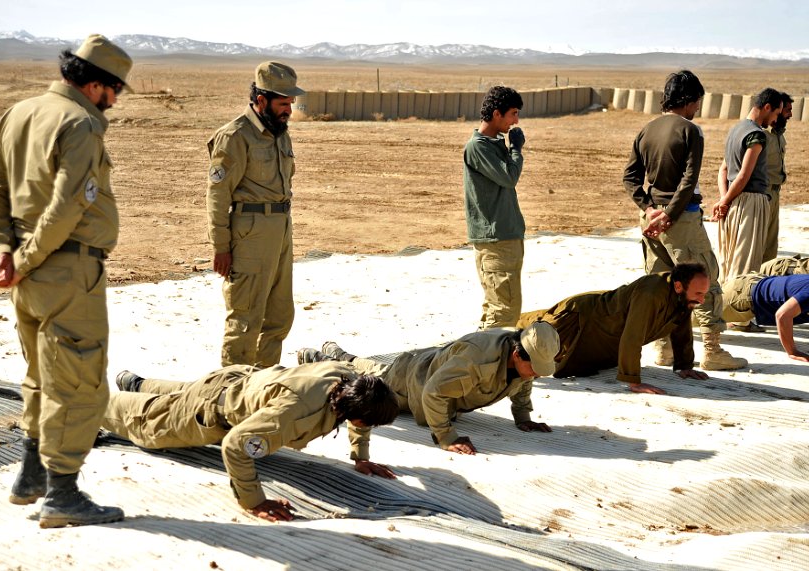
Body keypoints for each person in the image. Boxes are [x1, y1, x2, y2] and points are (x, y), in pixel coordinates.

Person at [0, 34, 132, 529]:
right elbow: (67, 206)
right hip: (66, 268)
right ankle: (63, 493)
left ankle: (30, 476)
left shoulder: (21, 112)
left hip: (30, 273)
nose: (115, 101)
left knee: (41, 373)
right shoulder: (81, 123)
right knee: (79, 380)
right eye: (115, 91)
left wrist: (4, 251)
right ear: (96, 84)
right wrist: (22, 258)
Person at [104, 362, 399, 523]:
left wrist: (360, 455)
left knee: (181, 394)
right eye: (368, 423)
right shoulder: (294, 410)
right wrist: (254, 501)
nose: (366, 428)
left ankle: (138, 383)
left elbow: (363, 412)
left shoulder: (352, 382)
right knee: (145, 426)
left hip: (237, 381)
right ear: (353, 413)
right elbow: (235, 444)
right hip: (211, 410)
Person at [622, 70, 746, 371]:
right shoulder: (691, 129)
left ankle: (664, 349)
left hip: (650, 220)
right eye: (698, 102)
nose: (698, 108)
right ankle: (712, 350)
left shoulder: (646, 129)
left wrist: (650, 209)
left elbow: (630, 176)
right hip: (681, 219)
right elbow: (689, 179)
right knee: (704, 281)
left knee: (663, 286)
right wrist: (669, 214)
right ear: (690, 100)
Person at [297, 321, 560, 455]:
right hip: (413, 380)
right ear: (517, 354)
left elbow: (523, 381)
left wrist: (523, 417)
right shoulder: (476, 359)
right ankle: (321, 362)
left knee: (375, 369)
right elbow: (433, 392)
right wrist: (446, 437)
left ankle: (342, 355)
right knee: (363, 389)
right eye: (535, 367)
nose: (537, 374)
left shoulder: (524, 356)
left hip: (430, 366)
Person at [207, 62, 305, 367]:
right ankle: (230, 393)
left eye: (291, 103)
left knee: (279, 317)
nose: (288, 109)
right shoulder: (235, 136)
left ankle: (261, 388)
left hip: (280, 230)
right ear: (261, 100)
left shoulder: (279, 133)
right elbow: (217, 195)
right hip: (250, 234)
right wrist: (221, 247)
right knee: (245, 319)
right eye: (282, 103)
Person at [517, 263, 713, 396]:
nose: (702, 300)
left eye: (704, 294)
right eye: (698, 293)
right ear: (679, 286)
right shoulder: (651, 293)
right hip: (581, 317)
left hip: (605, 332)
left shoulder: (683, 298)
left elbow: (681, 329)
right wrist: (633, 381)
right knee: (534, 331)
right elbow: (632, 336)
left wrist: (684, 365)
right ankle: (504, 320)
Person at [463, 86, 527, 329]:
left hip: (504, 237)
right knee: (504, 313)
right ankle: (488, 363)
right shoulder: (479, 147)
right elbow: (509, 177)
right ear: (497, 114)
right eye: (513, 113)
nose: (516, 120)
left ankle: (482, 359)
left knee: (498, 307)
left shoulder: (492, 144)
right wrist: (515, 150)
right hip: (496, 240)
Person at [712, 88, 783, 284]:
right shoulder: (756, 135)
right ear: (767, 107)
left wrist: (724, 200)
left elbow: (723, 171)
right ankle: (737, 312)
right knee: (745, 265)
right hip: (750, 202)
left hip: (733, 201)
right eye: (776, 113)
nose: (776, 120)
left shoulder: (735, 129)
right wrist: (724, 201)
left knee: (728, 260)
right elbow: (744, 175)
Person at [762, 91, 793, 263]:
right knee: (758, 244)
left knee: (770, 246)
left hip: (775, 193)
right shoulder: (762, 134)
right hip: (763, 193)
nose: (790, 115)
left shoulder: (778, 135)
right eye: (787, 110)